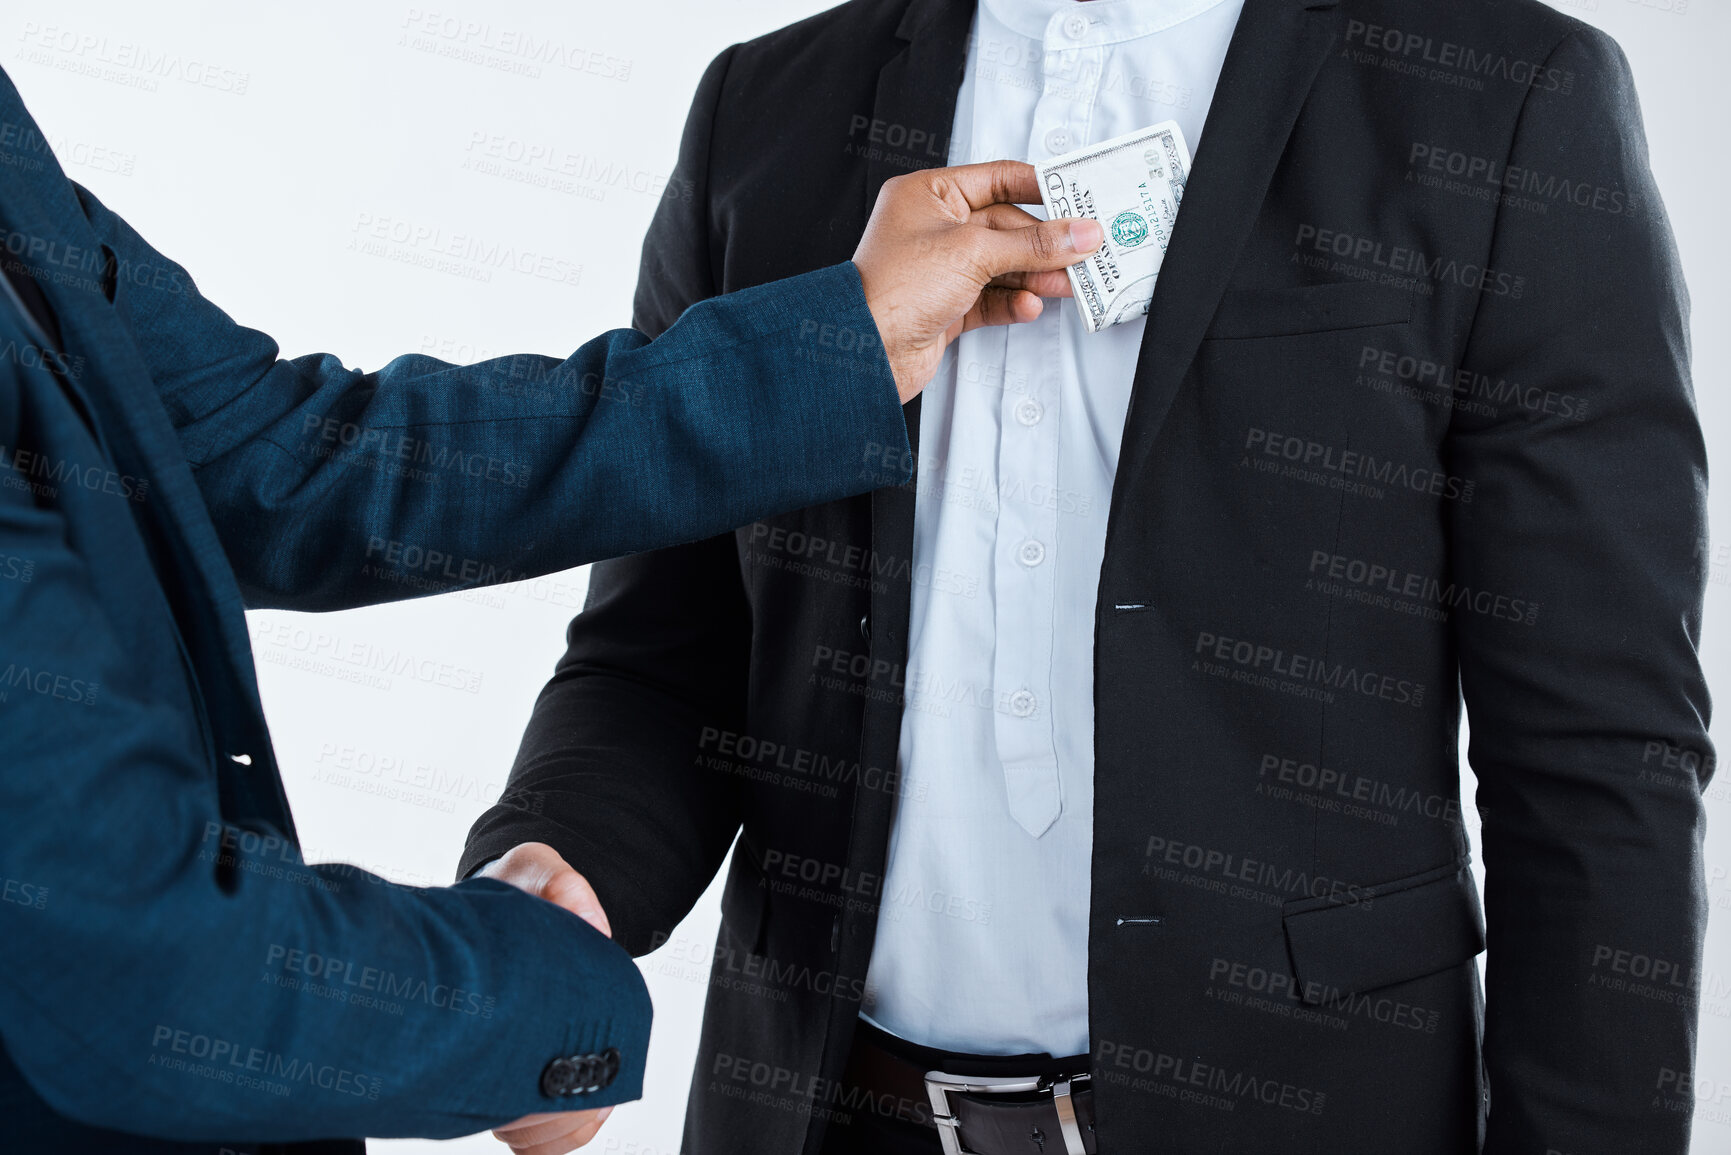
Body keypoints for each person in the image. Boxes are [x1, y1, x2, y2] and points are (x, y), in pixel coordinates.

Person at [461, 0, 1712, 1152]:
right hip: (816, 1117)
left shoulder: (1502, 94)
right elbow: (671, 649)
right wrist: (562, 867)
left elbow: (1600, 754)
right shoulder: (767, 104)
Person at [0, 55, 1105, 1155]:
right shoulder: (766, 108)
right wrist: (545, 1000)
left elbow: (264, 456)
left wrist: (828, 355)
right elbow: (127, 952)